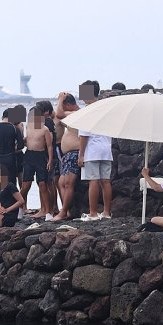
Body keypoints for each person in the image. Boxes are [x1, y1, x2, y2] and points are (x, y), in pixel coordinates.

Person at [78, 80, 113, 221]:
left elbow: (84, 135)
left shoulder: (87, 111)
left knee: (93, 181)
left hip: (92, 150)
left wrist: (81, 154)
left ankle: (92, 213)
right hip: (106, 148)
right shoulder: (105, 108)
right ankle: (106, 212)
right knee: (106, 181)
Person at [19, 105, 54, 219]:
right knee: (25, 185)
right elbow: (27, 139)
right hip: (29, 156)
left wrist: (49, 160)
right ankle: (19, 209)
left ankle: (48, 212)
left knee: (42, 184)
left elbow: (49, 146)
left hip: (40, 157)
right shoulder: (28, 126)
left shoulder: (45, 129)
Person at [52, 93, 81, 221]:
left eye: (64, 106)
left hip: (74, 153)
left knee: (68, 183)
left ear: (68, 105)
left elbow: (58, 114)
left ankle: (63, 212)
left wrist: (60, 100)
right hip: (68, 154)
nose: (62, 108)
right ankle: (66, 210)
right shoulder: (75, 113)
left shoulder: (75, 114)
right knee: (61, 182)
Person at [0, 109, 24, 189]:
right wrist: (14, 149)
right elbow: (21, 145)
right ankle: (13, 201)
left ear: (2, 117)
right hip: (10, 159)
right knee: (12, 183)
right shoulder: (14, 128)